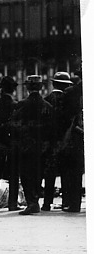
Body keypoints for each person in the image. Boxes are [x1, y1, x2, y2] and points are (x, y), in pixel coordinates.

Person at [12, 75, 53, 215]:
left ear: (27, 88)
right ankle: (36, 201)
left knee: (26, 175)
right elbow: (52, 129)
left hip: (25, 147)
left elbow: (13, 125)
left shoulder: (21, 105)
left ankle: (32, 202)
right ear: (41, 87)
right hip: (43, 147)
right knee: (38, 174)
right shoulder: (48, 106)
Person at [42, 71, 73, 211]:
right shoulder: (68, 101)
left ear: (54, 84)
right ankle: (66, 201)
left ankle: (47, 203)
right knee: (66, 173)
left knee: (49, 174)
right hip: (65, 142)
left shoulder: (46, 100)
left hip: (49, 143)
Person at [0, 76, 20, 211]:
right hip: (13, 144)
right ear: (13, 90)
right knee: (14, 174)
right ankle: (13, 203)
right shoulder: (17, 105)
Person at [58, 74, 84, 212]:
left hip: (77, 134)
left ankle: (75, 204)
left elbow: (64, 117)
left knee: (75, 171)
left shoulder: (70, 92)